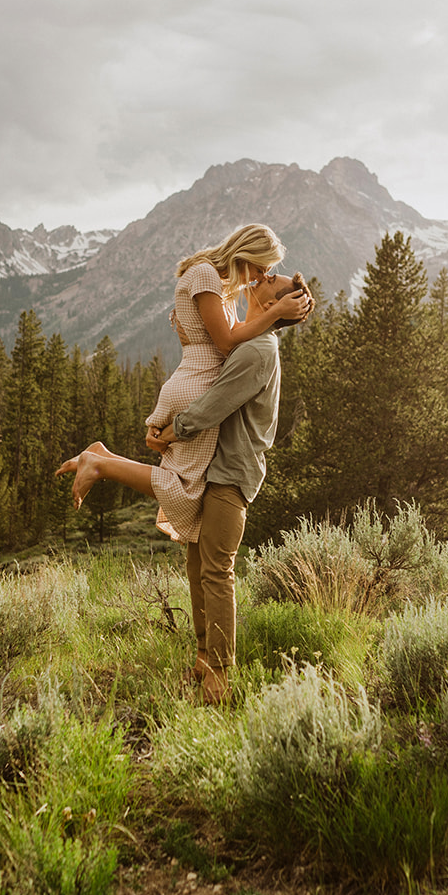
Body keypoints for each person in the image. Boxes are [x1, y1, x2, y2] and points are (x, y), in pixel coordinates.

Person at [56, 226, 307, 538]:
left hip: (195, 378)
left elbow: (233, 336)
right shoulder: (206, 275)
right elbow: (228, 344)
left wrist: (277, 314)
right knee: (184, 491)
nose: (258, 277)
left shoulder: (217, 281)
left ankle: (103, 458)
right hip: (198, 382)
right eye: (261, 268)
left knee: (182, 484)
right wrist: (277, 312)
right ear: (246, 255)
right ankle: (100, 465)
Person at [146, 270, 311, 703]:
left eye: (273, 281)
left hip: (232, 474)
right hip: (215, 468)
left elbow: (215, 403)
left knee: (217, 570)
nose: (265, 277)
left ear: (279, 305)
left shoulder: (259, 349)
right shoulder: (248, 340)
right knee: (198, 566)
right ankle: (203, 658)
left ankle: (220, 674)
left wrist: (172, 430)